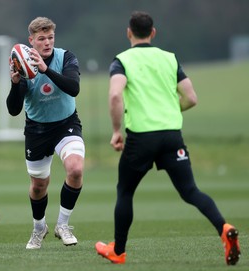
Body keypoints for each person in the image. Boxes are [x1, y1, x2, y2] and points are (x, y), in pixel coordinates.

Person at [95, 11, 241, 265]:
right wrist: (171, 111)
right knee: (190, 191)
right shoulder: (170, 59)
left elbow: (115, 96)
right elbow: (191, 98)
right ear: (153, 33)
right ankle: (224, 228)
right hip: (172, 136)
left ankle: (118, 251)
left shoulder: (122, 61)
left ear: (129, 32)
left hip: (141, 137)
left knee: (125, 192)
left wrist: (117, 131)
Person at [6, 17, 85, 249]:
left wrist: (45, 69)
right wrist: (15, 83)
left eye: (50, 37)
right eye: (42, 38)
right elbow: (13, 110)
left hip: (66, 124)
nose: (47, 42)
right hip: (37, 130)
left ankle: (63, 224)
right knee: (39, 185)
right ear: (32, 41)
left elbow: (74, 88)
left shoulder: (66, 57)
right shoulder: (22, 64)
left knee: (76, 169)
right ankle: (39, 228)